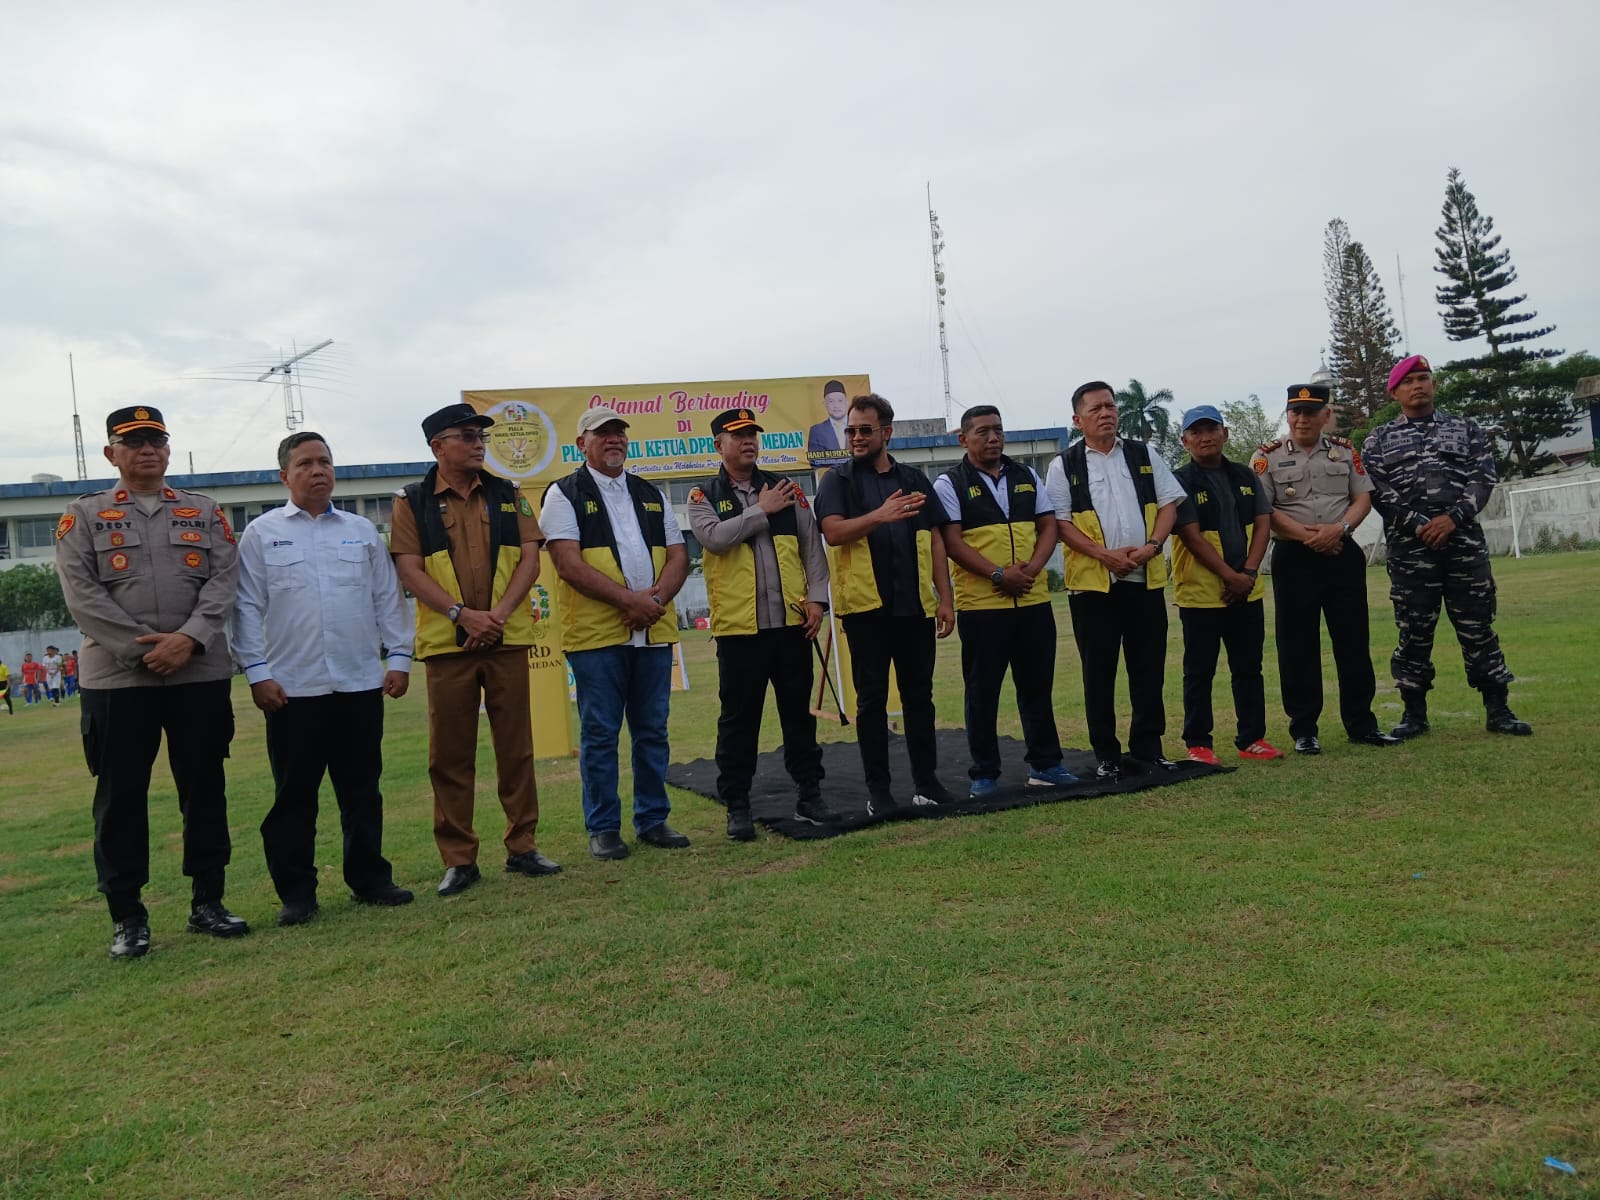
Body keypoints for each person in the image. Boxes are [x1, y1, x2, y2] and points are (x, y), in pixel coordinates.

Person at [55, 405, 247, 959]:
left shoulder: (204, 511)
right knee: (120, 798)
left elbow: (224, 580)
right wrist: (145, 650)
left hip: (198, 672)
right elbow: (81, 594)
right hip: (118, 680)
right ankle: (127, 917)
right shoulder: (84, 515)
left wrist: (189, 639)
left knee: (204, 788)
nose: (148, 450)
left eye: (156, 441)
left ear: (167, 449)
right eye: (134, 441)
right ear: (111, 453)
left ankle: (208, 902)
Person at [233, 432, 417, 927]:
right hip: (292, 688)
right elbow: (246, 606)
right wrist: (257, 672)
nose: (318, 471)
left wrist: (400, 657)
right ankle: (297, 893)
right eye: (306, 464)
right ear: (284, 476)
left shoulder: (361, 531)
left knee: (362, 791)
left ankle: (370, 879)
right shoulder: (262, 534)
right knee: (294, 796)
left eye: (325, 462)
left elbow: (387, 598)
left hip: (359, 683)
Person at [391, 402, 559, 897]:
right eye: (466, 436)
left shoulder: (509, 493)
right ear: (437, 446)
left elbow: (531, 560)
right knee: (450, 754)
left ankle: (523, 846)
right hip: (448, 645)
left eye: (480, 436)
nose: (478, 444)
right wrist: (462, 615)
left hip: (506, 639)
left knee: (517, 749)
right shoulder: (412, 500)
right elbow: (409, 569)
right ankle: (459, 859)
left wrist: (497, 616)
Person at [542, 406, 691, 859]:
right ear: (581, 444)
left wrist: (653, 601)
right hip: (597, 638)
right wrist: (630, 602)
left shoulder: (650, 492)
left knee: (652, 731)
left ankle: (653, 819)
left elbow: (678, 556)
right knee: (601, 734)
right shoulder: (563, 493)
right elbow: (567, 563)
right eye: (602, 433)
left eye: (619, 432)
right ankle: (604, 827)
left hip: (652, 631)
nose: (614, 440)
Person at [1362, 354, 1532, 737]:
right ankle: (1414, 714)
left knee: (1478, 627)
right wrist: (1419, 524)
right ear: (1394, 392)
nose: (1417, 386)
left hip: (1463, 547)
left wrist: (1452, 519)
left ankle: (1498, 709)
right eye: (1408, 382)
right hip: (1410, 553)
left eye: (1423, 378)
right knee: (1413, 631)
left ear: (1434, 384)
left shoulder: (1466, 429)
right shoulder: (1379, 439)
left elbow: (1482, 478)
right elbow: (1378, 491)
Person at [689, 409, 836, 839]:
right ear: (718, 445)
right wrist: (761, 510)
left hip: (792, 626)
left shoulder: (786, 488)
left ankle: (810, 795)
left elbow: (811, 547)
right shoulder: (703, 495)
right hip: (740, 633)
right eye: (738, 435)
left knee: (799, 718)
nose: (748, 441)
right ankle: (737, 805)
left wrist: (816, 599)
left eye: (752, 434)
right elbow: (714, 539)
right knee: (739, 722)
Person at [814, 392, 958, 816]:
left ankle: (927, 783)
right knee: (872, 702)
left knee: (920, 698)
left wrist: (945, 598)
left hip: (914, 608)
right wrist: (880, 514)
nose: (856, 437)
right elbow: (833, 533)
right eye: (851, 431)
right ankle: (878, 791)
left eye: (865, 430)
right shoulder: (837, 481)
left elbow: (935, 539)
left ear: (887, 432)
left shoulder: (913, 479)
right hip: (866, 612)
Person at [1046, 380, 1187, 780]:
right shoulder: (1064, 465)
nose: (1106, 413)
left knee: (1148, 669)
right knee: (1099, 673)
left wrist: (1152, 546)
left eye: (1110, 406)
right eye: (1095, 409)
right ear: (1078, 420)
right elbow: (1060, 522)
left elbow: (1168, 504)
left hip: (1144, 578)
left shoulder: (1144, 454)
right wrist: (1104, 555)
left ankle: (1148, 749)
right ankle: (1106, 755)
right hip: (1093, 586)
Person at [934, 404, 1074, 797]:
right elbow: (952, 542)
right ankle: (984, 772)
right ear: (963, 439)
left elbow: (1048, 526)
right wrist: (998, 574)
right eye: (983, 431)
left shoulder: (1026, 475)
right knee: (982, 693)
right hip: (982, 606)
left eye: (998, 429)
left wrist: (1032, 570)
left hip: (1032, 600)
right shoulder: (949, 483)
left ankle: (1046, 765)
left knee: (1037, 687)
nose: (993, 438)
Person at [1252, 384, 1399, 754]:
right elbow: (1264, 510)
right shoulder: (1266, 456)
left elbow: (1362, 497)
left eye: (1311, 412)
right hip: (1293, 555)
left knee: (1353, 639)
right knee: (1296, 644)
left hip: (1341, 552)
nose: (1302, 419)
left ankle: (1362, 723)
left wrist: (1339, 530)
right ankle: (1304, 729)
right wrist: (1310, 536)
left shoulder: (1345, 451)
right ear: (1287, 415)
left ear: (1325, 415)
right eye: (1296, 412)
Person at [1169, 405, 1282, 765]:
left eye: (1212, 429)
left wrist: (1248, 573)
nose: (1205, 438)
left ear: (1225, 433)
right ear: (1185, 441)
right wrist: (1230, 576)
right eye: (1196, 432)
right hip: (1202, 593)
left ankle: (1252, 738)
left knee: (1248, 667)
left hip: (1247, 590)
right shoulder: (1180, 481)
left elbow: (1263, 523)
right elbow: (1191, 535)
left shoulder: (1245, 475)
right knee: (1199, 670)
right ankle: (1198, 743)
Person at [806, 380, 851, 463]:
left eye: (840, 401)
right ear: (825, 404)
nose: (836, 405)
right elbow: (814, 461)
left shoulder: (858, 426)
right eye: (831, 401)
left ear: (846, 403)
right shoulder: (816, 431)